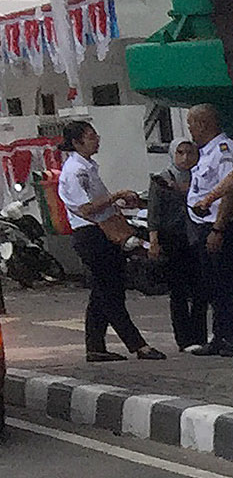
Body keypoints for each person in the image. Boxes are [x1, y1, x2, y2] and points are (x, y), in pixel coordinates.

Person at [56, 120, 162, 363]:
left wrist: (119, 202)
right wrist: (116, 196)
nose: (97, 140)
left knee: (102, 292)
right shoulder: (75, 171)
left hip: (103, 229)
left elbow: (98, 204)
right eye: (91, 136)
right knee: (110, 292)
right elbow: (85, 209)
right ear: (76, 142)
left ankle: (95, 346)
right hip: (91, 233)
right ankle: (138, 345)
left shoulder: (88, 167)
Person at [186, 102, 233, 356]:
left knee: (229, 285)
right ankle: (220, 337)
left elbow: (231, 192)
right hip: (206, 226)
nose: (190, 131)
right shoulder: (206, 152)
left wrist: (218, 229)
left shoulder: (224, 151)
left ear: (203, 124)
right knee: (215, 286)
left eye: (191, 125)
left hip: (226, 228)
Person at [148, 138, 209, 354]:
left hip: (197, 237)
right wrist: (154, 241)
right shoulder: (161, 179)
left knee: (201, 288)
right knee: (179, 291)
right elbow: (154, 213)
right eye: (180, 153)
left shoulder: (201, 176)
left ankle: (200, 336)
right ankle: (184, 338)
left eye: (190, 153)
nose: (185, 158)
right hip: (173, 239)